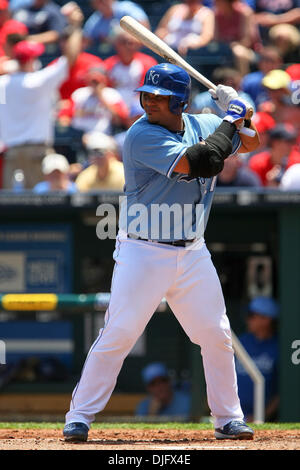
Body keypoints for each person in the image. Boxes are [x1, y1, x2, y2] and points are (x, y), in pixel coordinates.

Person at [63, 62, 260, 442]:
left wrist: (243, 113)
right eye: (146, 96)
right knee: (119, 333)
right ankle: (80, 416)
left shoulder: (204, 123)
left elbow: (251, 143)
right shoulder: (140, 135)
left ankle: (227, 418)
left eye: (160, 98)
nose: (150, 103)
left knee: (217, 334)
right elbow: (202, 162)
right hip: (144, 251)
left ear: (181, 103)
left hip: (192, 251)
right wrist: (230, 119)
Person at [0, 4, 83, 189]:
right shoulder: (39, 80)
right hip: (37, 153)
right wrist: (75, 26)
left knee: (12, 210)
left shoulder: (2, 84)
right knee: (41, 206)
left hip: (11, 155)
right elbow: (70, 58)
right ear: (30, 59)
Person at [236, 296, 279, 422]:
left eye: (251, 315)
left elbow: (282, 392)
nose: (247, 320)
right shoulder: (241, 341)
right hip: (235, 414)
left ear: (266, 319)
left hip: (264, 417)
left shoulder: (278, 347)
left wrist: (259, 416)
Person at [104, 27, 157, 114]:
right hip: (113, 108)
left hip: (138, 106)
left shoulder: (148, 63)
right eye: (123, 42)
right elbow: (106, 90)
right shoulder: (108, 64)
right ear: (116, 45)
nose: (128, 46)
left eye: (131, 43)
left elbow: (147, 91)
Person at [69, 65, 129, 135]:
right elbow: (67, 114)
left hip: (102, 135)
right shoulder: (79, 93)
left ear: (104, 81)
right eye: (92, 82)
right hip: (78, 134)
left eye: (97, 82)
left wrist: (101, 97)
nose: (94, 85)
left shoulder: (113, 95)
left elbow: (120, 119)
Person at [83, 0, 150, 54]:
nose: (102, 2)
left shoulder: (127, 7)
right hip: (113, 58)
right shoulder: (94, 20)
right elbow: (85, 43)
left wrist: (127, 38)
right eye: (98, 1)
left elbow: (145, 28)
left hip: (138, 53)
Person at [213, 0, 261, 75]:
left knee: (239, 52)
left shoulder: (245, 13)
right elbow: (215, 38)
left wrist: (233, 46)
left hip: (249, 51)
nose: (215, 2)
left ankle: (242, 84)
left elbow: (247, 41)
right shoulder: (216, 15)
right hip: (224, 50)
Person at [191, 67, 255, 117]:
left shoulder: (244, 98)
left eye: (238, 85)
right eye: (233, 85)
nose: (236, 88)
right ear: (218, 84)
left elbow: (252, 121)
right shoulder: (201, 100)